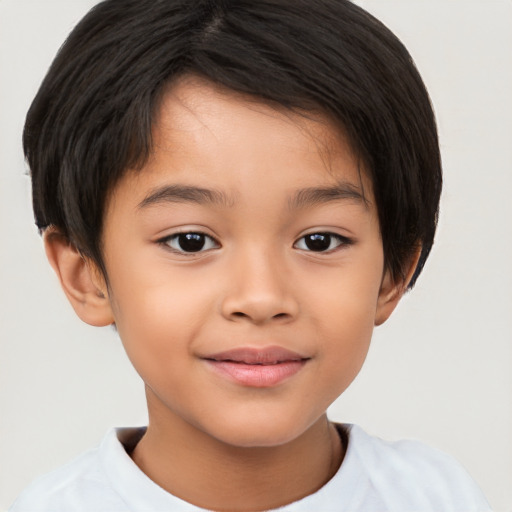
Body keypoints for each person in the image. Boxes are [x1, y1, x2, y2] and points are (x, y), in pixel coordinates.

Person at [9, 0, 491, 510]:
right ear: (85, 275)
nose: (261, 299)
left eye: (319, 241)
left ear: (393, 273)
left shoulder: (439, 497)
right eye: (190, 241)